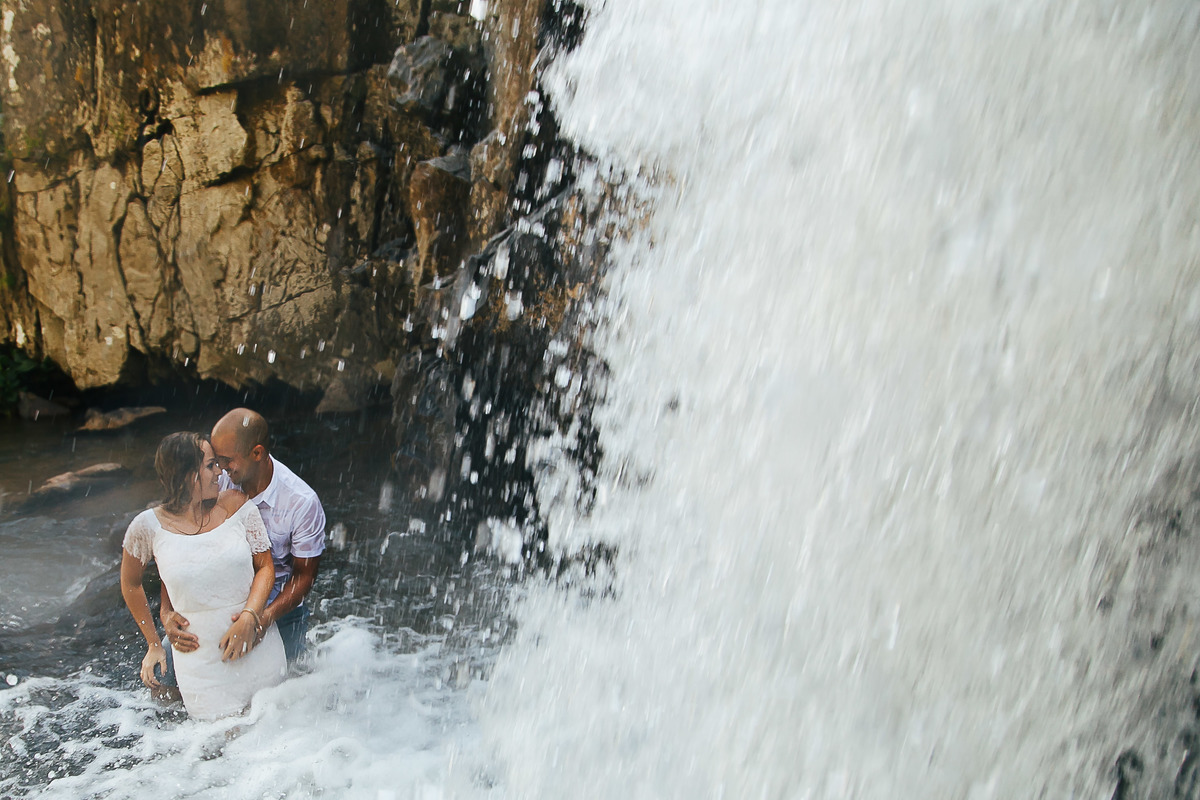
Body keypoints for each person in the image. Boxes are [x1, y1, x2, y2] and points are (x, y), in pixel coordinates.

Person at [120, 432, 286, 720]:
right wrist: (154, 643)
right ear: (187, 475)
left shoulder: (237, 505)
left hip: (259, 650)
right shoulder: (146, 527)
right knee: (218, 741)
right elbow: (131, 584)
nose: (220, 472)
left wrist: (249, 616)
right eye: (211, 466)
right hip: (203, 672)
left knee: (282, 730)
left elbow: (265, 568)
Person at [161, 408, 326, 665]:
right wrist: (166, 611)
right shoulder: (215, 481)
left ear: (257, 453)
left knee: (288, 682)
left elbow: (304, 576)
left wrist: (263, 619)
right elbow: (180, 545)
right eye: (214, 461)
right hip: (218, 600)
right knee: (165, 671)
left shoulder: (302, 503)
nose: (219, 468)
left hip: (278, 611)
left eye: (226, 460)